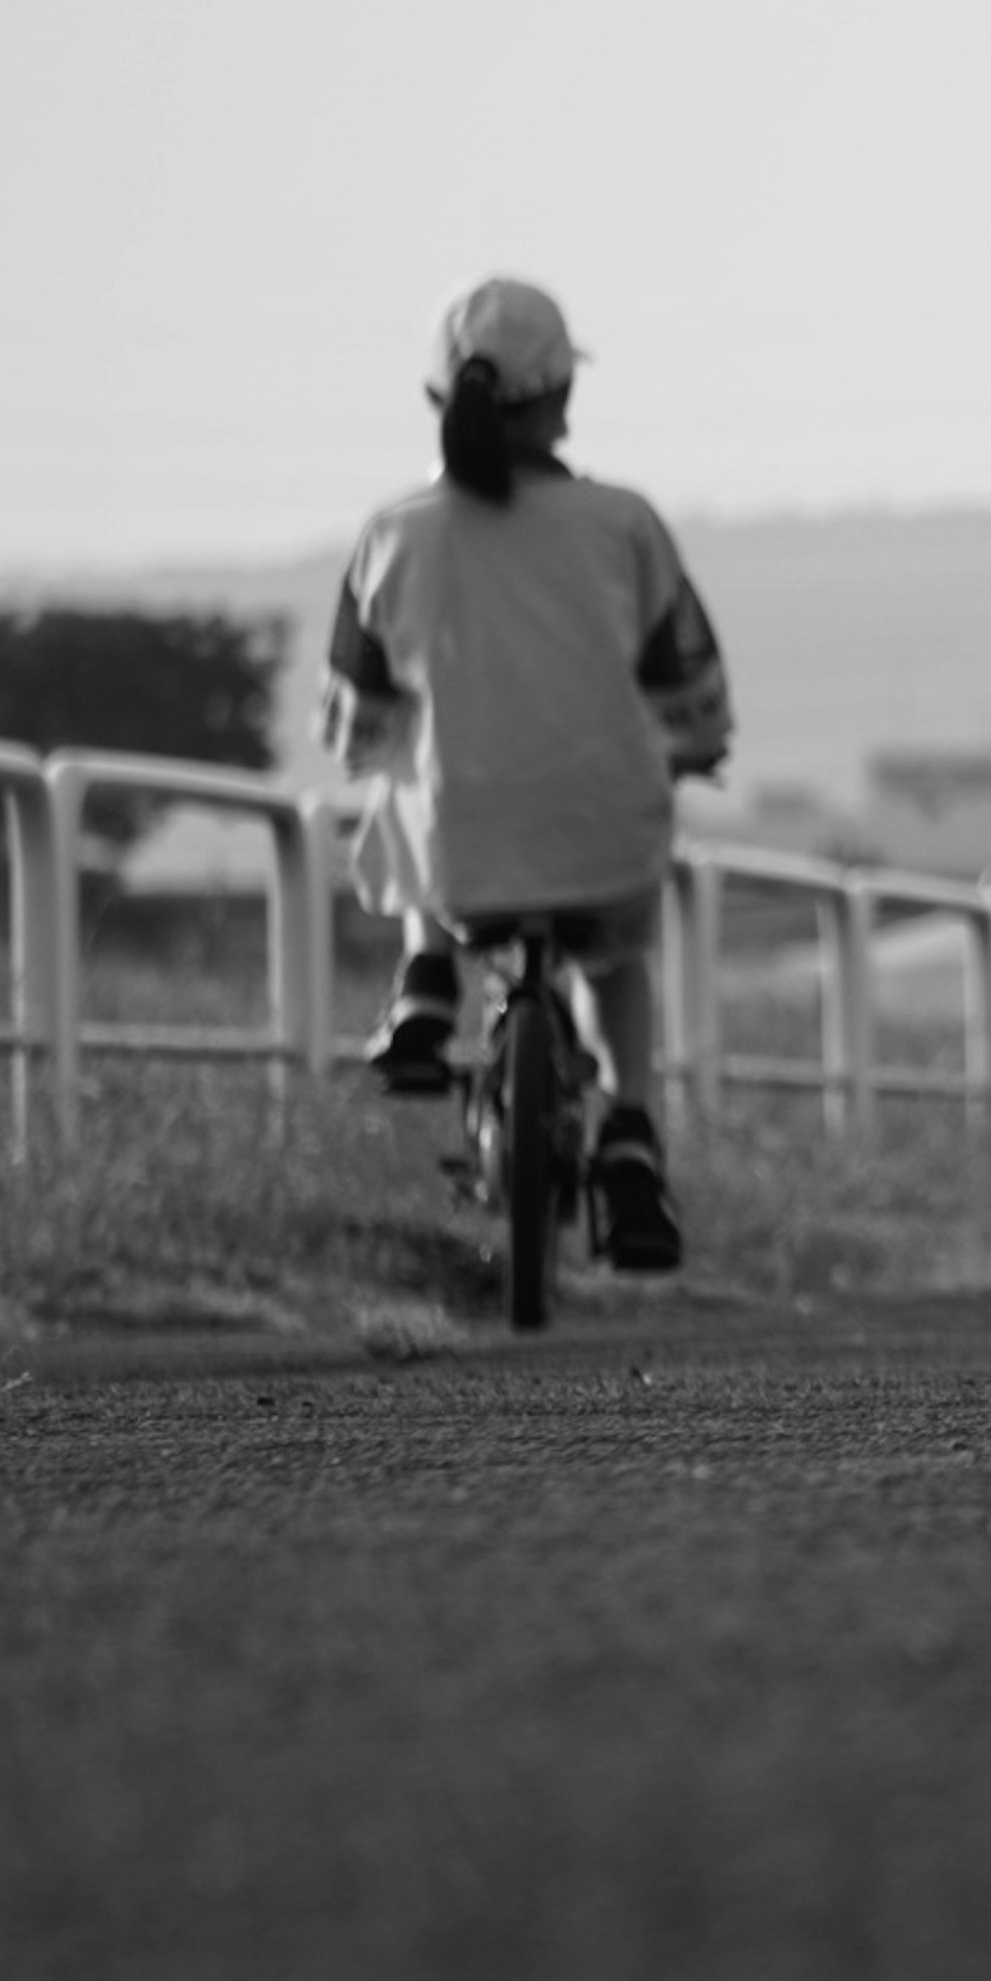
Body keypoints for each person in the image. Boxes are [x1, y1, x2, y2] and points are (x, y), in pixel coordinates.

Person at [323, 278, 733, 1272]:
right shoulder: (625, 524)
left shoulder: (393, 534)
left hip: (458, 845)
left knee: (405, 782)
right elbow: (691, 681)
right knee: (616, 954)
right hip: (601, 829)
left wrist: (376, 752)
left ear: (436, 401)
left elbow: (356, 720)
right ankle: (630, 1133)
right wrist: (696, 744)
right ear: (562, 400)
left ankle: (427, 982)